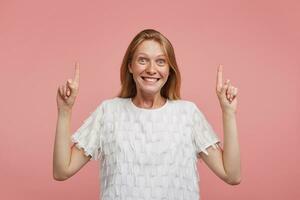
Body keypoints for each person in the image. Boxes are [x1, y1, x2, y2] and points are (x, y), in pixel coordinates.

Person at [53, 29, 241, 200]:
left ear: (169, 69)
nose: (151, 69)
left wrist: (228, 113)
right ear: (130, 66)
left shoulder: (187, 114)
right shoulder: (108, 112)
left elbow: (232, 175)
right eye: (143, 60)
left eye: (160, 61)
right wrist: (65, 111)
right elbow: (62, 171)